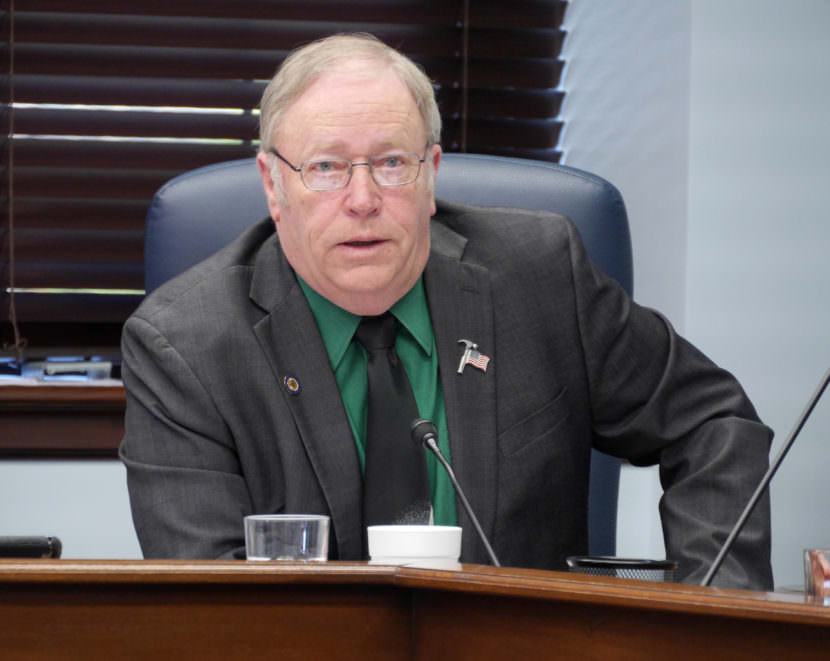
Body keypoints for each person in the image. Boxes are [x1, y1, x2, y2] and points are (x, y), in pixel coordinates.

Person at [119, 33, 773, 590]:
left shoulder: (540, 276)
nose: (363, 198)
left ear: (431, 175)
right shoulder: (186, 346)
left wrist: (712, 615)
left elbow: (712, 419)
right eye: (325, 167)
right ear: (273, 183)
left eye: (392, 163)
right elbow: (209, 608)